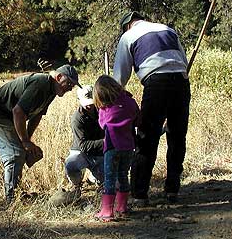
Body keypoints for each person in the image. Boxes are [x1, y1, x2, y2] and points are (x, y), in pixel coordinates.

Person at [113, 11, 191, 204]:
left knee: (147, 137)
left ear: (127, 25)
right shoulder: (167, 29)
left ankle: (140, 194)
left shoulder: (128, 36)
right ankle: (172, 190)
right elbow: (184, 62)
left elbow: (119, 77)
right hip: (181, 81)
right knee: (177, 136)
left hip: (156, 83)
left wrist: (115, 100)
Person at [0, 64, 81, 204]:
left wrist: (27, 140)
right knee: (15, 154)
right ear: (58, 77)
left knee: (29, 152)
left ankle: (15, 191)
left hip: (8, 115)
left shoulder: (51, 90)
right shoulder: (41, 83)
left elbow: (37, 115)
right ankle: (11, 200)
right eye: (69, 83)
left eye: (73, 86)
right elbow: (18, 111)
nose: (70, 88)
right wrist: (24, 141)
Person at [93, 75, 139, 222]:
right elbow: (137, 118)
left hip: (112, 146)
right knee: (123, 175)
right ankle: (122, 207)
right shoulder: (130, 102)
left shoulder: (105, 108)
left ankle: (107, 210)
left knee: (110, 178)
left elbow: (102, 125)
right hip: (128, 146)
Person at [64, 85, 105, 197]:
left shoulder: (102, 110)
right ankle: (76, 185)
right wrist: (105, 142)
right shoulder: (77, 118)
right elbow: (83, 146)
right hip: (81, 152)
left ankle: (92, 178)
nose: (89, 105)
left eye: (92, 102)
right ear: (79, 101)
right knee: (70, 164)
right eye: (86, 103)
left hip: (100, 154)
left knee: (112, 186)